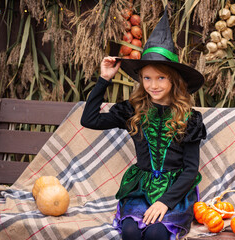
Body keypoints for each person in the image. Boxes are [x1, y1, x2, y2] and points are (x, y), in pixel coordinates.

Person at [81, 7, 206, 240]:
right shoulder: (133, 111)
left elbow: (190, 171)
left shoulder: (189, 118)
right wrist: (104, 78)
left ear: (174, 80)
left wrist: (165, 203)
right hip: (140, 189)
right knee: (130, 231)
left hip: (174, 192)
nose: (153, 85)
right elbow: (89, 120)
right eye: (147, 78)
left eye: (161, 78)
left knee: (156, 233)